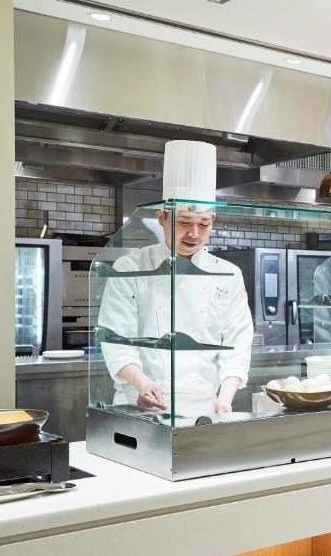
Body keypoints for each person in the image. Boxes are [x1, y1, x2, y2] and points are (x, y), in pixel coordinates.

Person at [98, 140, 254, 417]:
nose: (194, 233)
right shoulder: (130, 267)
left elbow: (238, 340)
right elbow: (116, 339)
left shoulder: (228, 274)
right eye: (184, 223)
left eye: (203, 224)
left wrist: (225, 396)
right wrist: (141, 383)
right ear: (161, 218)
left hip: (205, 407)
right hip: (140, 405)